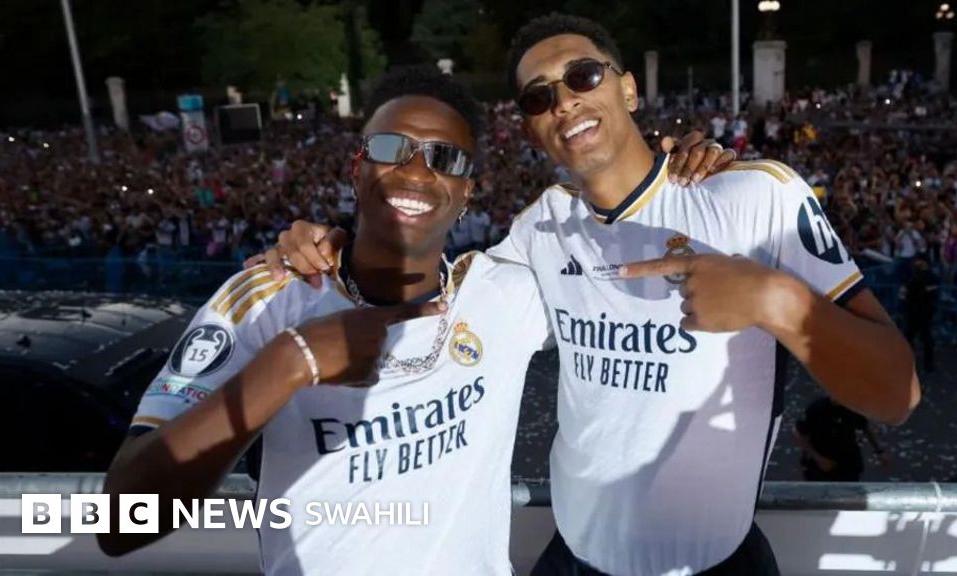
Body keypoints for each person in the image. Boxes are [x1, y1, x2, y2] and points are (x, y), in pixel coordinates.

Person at [262, 14, 920, 576]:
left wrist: (776, 301)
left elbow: (896, 395)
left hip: (714, 562)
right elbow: (425, 296)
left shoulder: (754, 197)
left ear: (628, 88)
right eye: (538, 97)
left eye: (583, 76)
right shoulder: (540, 229)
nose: (564, 102)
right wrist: (326, 246)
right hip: (573, 557)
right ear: (530, 130)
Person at [99, 67, 731, 574]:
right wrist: (292, 362)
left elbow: (631, 264)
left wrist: (683, 169)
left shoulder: (508, 294)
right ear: (357, 168)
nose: (416, 171)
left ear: (468, 192)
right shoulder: (269, 299)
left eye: (445, 158)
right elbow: (123, 524)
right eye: (390, 148)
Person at [792, 395, 891, 482]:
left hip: (847, 461)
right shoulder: (816, 408)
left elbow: (866, 427)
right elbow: (798, 434)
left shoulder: (852, 408)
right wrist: (818, 458)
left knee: (849, 491)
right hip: (821, 462)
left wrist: (879, 451)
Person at [900, 254, 938, 372]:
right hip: (914, 310)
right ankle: (911, 362)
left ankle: (927, 364)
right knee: (911, 337)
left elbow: (930, 293)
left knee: (924, 337)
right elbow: (904, 292)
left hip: (923, 311)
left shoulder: (929, 277)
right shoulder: (911, 276)